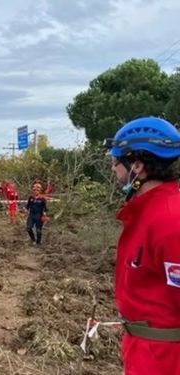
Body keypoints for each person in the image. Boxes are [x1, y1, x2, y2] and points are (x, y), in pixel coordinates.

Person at [105, 116, 180, 374]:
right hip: (144, 353)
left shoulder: (170, 221)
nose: (113, 168)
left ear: (136, 166)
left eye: (116, 161)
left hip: (165, 360)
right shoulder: (145, 214)